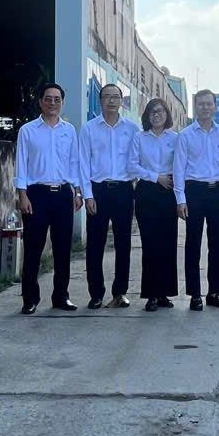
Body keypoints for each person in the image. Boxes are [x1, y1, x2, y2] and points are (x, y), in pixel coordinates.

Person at [14, 82, 82, 315]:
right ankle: (29, 299)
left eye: (57, 99)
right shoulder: (28, 130)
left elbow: (74, 162)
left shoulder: (69, 131)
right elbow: (21, 163)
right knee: (33, 248)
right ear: (41, 101)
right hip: (36, 195)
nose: (53, 103)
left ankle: (61, 296)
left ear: (62, 103)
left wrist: (77, 191)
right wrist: (22, 194)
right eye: (48, 98)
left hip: (63, 194)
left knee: (63, 249)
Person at [80, 83, 141, 309]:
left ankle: (120, 292)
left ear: (121, 101)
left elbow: (138, 160)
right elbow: (83, 163)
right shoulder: (89, 128)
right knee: (95, 244)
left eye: (116, 97)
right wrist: (87, 195)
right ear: (101, 100)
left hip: (124, 190)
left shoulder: (132, 129)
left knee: (123, 243)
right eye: (107, 97)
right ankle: (96, 293)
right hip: (98, 190)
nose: (112, 101)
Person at [174, 89, 219, 311]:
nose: (205, 107)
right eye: (201, 104)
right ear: (195, 107)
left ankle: (215, 293)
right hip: (194, 192)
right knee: (193, 244)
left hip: (217, 192)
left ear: (215, 106)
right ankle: (195, 294)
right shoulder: (185, 135)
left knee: (217, 244)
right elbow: (178, 168)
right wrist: (181, 199)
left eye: (209, 104)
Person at [129, 98, 180, 312]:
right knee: (150, 244)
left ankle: (164, 293)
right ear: (147, 116)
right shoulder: (139, 138)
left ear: (167, 114)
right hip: (147, 191)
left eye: (160, 111)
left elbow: (181, 164)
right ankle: (151, 294)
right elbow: (132, 166)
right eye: (152, 112)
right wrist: (156, 177)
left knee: (168, 244)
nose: (156, 115)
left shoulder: (175, 138)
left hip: (169, 192)